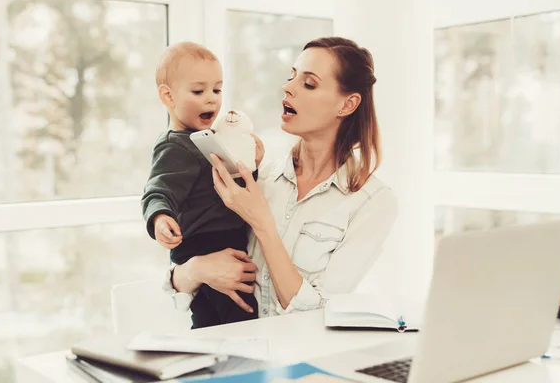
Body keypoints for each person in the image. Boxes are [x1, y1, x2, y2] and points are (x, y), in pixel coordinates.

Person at [164, 37, 397, 318]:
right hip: (228, 351)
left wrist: (262, 222)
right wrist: (198, 269)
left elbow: (321, 314)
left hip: (304, 356)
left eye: (308, 83)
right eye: (291, 77)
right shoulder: (258, 176)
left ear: (347, 105)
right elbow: (174, 286)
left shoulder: (372, 203)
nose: (287, 87)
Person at [141, 41, 263, 328]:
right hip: (203, 245)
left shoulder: (211, 139)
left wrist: (252, 161)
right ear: (168, 96)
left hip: (223, 241)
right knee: (241, 317)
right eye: (198, 91)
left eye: (217, 90)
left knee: (210, 324)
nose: (211, 99)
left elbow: (234, 186)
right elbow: (158, 189)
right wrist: (160, 217)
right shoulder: (174, 146)